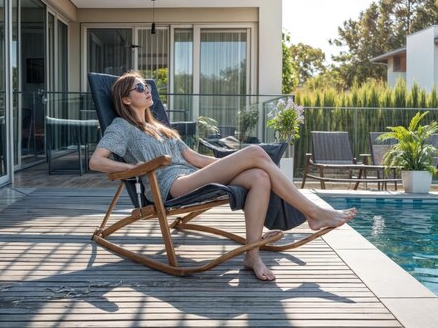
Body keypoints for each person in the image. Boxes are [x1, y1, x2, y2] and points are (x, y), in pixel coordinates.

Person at [90, 72, 357, 281]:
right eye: (139, 88)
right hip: (170, 186)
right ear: (126, 99)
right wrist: (135, 168)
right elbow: (96, 161)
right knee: (254, 151)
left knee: (258, 176)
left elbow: (195, 159)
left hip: (191, 176)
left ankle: (252, 256)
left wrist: (230, 164)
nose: (146, 89)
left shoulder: (161, 127)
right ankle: (313, 213)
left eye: (146, 86)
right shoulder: (121, 126)